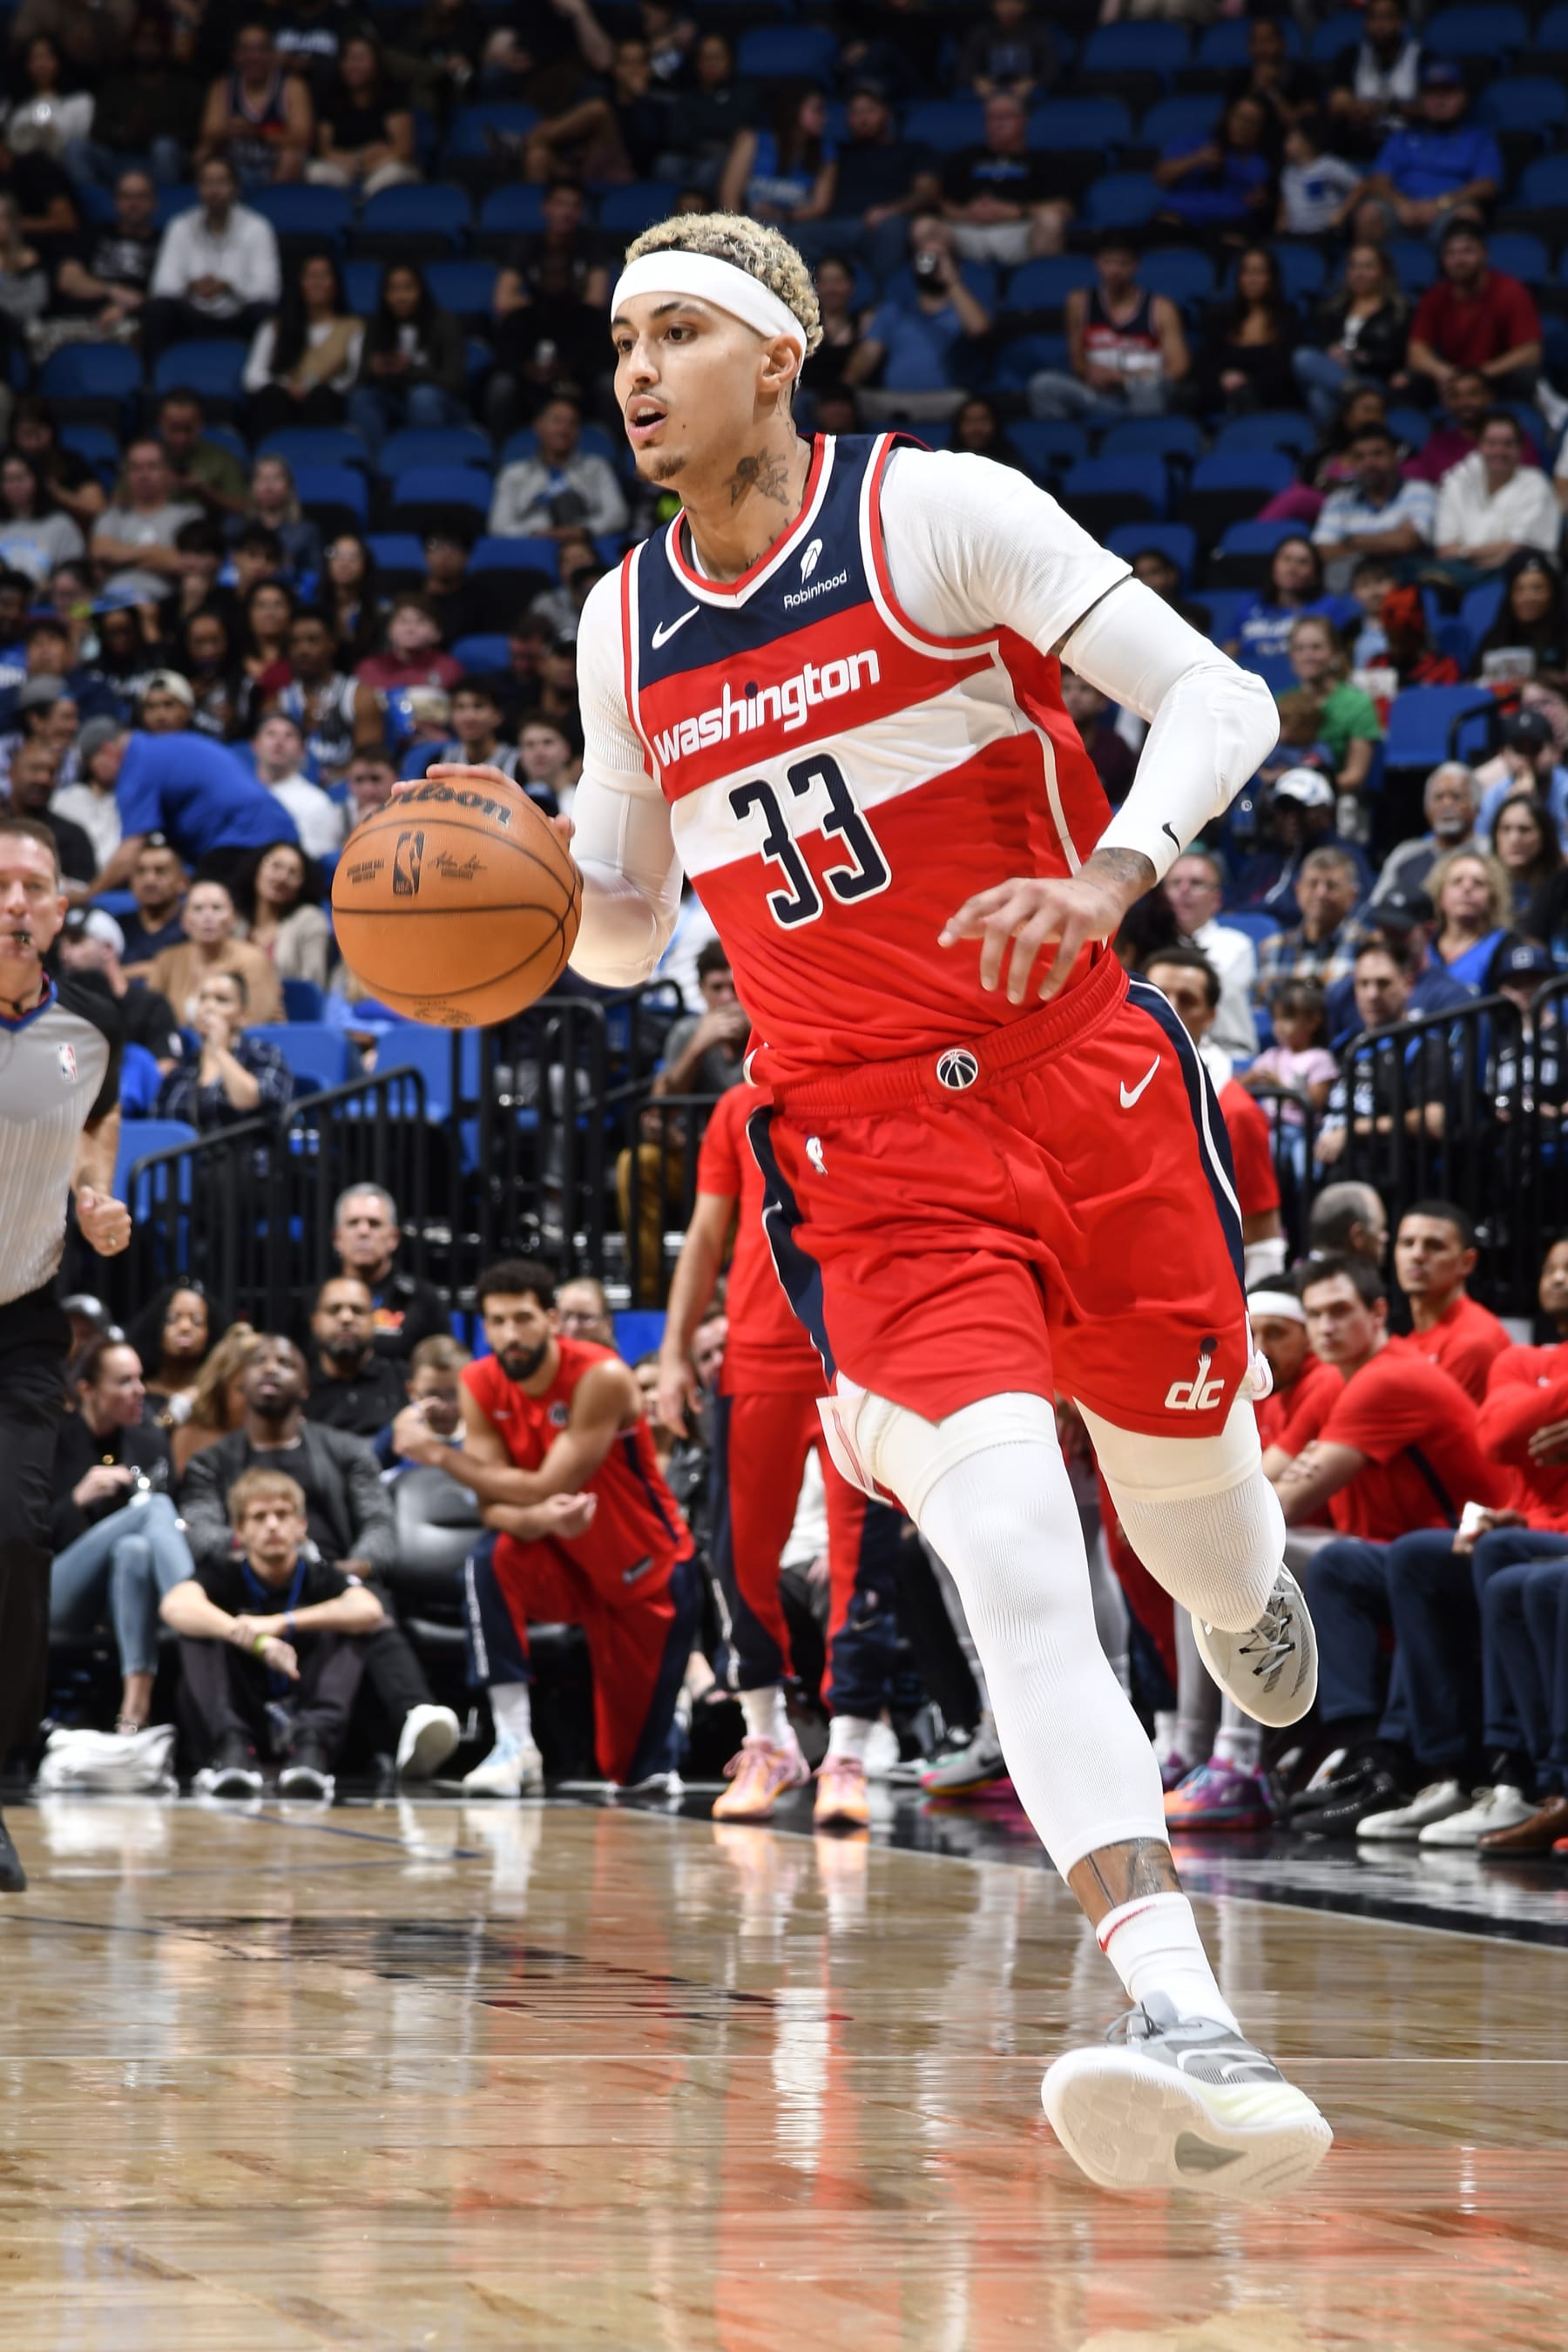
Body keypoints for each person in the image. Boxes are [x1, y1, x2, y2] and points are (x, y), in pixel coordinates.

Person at [413, 207, 1335, 2194]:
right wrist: (519, 912)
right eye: (618, 338)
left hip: (1083, 1087)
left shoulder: (941, 518)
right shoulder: (622, 623)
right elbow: (632, 925)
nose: (636, 370)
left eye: (677, 330)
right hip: (864, 1153)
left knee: (1199, 1516)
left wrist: (1107, 878)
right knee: (1008, 1535)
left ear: (782, 354)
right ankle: (1183, 2005)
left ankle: (1247, 1581)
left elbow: (1225, 703)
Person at [657, 1078, 904, 1828]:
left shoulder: (880, 1085)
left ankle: (851, 1749)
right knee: (741, 1559)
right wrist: (673, 1351)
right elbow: (705, 1233)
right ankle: (766, 1737)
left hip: (859, 1356)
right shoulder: (735, 1107)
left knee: (863, 1558)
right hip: (758, 1357)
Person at [398, 1259, 701, 1799]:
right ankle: (514, 1744)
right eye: (496, 1322)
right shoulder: (479, 1382)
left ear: (553, 1320)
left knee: (632, 1773)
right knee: (491, 1559)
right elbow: (494, 1505)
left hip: (643, 1571)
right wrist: (535, 1521)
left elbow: (546, 1482)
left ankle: (667, 1722)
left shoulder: (602, 1375)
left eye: (523, 1319)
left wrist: (438, 1456)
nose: (510, 1335)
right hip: (562, 1558)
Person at [1267, 1257, 1510, 1840]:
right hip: (1415, 1552)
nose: (1326, 1326)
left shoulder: (1386, 1379)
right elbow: (1266, 1483)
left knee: (1285, 1560)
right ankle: (1366, 1757)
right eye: (1316, 1314)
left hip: (1474, 1549)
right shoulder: (1348, 1380)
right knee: (1335, 1565)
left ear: (1379, 1313)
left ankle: (1382, 1763)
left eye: (1340, 1311)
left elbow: (1279, 1506)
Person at [0, 813, 129, 1889]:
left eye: (31, 884)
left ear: (58, 907)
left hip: (22, 1321)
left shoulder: (90, 1036)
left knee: (14, 1542)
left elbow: (97, 1169)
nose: (13, 901)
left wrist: (99, 1213)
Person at [177, 1335, 462, 1781]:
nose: (271, 1369)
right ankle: (228, 1748)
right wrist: (263, 1554)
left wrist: (346, 1570)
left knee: (366, 1605)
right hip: (243, 1581)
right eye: (260, 1363)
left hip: (330, 1577)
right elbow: (202, 1532)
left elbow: (379, 1528)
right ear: (240, 1384)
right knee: (199, 1617)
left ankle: (414, 1719)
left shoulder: (347, 1450)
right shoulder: (210, 1462)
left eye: (286, 1362)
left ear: (307, 1387)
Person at [160, 1467, 384, 1801]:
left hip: (307, 1715)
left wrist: (283, 1622)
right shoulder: (223, 1571)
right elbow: (174, 1606)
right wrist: (250, 1637)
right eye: (259, 1517)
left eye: (282, 1514)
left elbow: (370, 1609)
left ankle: (312, 1751)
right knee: (197, 1628)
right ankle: (231, 1750)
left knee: (352, 1625)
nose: (273, 1525)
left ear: (301, 1526)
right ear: (239, 1530)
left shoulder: (319, 1575)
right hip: (239, 1714)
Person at [48, 1335, 194, 1736]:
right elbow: (24, 1535)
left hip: (126, 1593)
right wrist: (75, 1500)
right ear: (88, 1390)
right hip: (56, 1587)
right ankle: (191, 1603)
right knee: (155, 1508)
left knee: (134, 1548)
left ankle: (134, 1710)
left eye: (140, 1379)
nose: (140, 1390)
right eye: (125, 1381)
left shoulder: (148, 1439)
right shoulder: (54, 1438)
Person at [1142, 948, 1285, 1286]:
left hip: (1198, 1294)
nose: (1171, 1009)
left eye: (1187, 1000)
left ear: (1210, 1017)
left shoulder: (1235, 1112)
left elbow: (1261, 1235)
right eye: (1160, 995)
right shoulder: (1099, 1083)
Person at [91, 724, 302, 892]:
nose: (93, 777)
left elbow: (131, 848)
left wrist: (91, 894)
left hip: (242, 840)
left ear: (107, 751)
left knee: (203, 907)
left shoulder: (135, 766)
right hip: (279, 830)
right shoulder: (163, 745)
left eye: (92, 765)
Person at [1024, 233, 1187, 422]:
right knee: (1043, 384)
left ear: (1136, 266)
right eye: (1108, 262)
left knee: (1147, 387)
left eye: (1123, 263)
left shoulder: (1161, 307)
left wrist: (1127, 378)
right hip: (1100, 395)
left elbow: (1179, 367)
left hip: (1145, 389)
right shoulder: (1079, 302)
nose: (1115, 270)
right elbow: (1077, 359)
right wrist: (1088, 372)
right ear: (1097, 264)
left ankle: (1142, 439)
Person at [144, 154, 280, 355]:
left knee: (263, 313)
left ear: (236, 187)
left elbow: (268, 291)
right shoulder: (180, 226)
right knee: (158, 309)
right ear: (198, 188)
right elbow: (161, 286)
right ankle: (154, 380)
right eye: (207, 182)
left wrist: (229, 286)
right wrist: (190, 285)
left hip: (238, 317)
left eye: (221, 182)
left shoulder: (257, 227)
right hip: (191, 316)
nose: (214, 190)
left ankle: (260, 380)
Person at [1407, 220, 1542, 407]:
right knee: (1408, 382)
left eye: (1467, 251)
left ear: (1484, 254)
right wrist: (1444, 372)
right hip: (1452, 377)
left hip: (1495, 378)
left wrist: (1481, 374)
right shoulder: (1435, 296)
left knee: (1524, 377)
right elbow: (1416, 352)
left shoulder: (1510, 291)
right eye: (1451, 253)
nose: (1459, 260)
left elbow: (1530, 352)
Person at [1359, 61, 1501, 237]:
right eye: (1432, 93)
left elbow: (1486, 186)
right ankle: (1367, 264)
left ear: (1463, 98)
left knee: (1468, 215)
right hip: (1403, 209)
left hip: (1449, 210)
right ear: (1421, 100)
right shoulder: (1401, 138)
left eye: (1448, 92)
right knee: (1369, 213)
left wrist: (1442, 204)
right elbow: (1377, 180)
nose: (1440, 101)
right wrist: (1401, 203)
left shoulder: (1479, 140)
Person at [1389, 1200, 1508, 1403]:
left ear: (1467, 1262)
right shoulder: (1412, 1338)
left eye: (1434, 1246)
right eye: (1407, 1243)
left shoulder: (1474, 1341)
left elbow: (1430, 1429)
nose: (1417, 1255)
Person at [347, 262, 467, 450]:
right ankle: (377, 465)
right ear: (384, 294)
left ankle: (425, 458)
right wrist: (374, 370)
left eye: (407, 288)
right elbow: (359, 379)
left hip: (443, 405)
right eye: (393, 289)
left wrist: (410, 370)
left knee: (422, 397)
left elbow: (454, 381)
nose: (400, 297)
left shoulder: (445, 322)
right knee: (362, 398)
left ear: (421, 290)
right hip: (394, 401)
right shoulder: (376, 325)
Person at [156, 967, 293, 1130]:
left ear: (244, 1015)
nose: (209, 1007)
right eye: (203, 998)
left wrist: (219, 1050)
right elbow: (160, 1127)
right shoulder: (183, 1068)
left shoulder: (263, 1056)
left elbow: (249, 1100)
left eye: (222, 1000)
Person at [1310, 422, 1436, 598]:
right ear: (1352, 462)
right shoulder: (1338, 500)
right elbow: (1323, 550)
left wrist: (1351, 540)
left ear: (1395, 456)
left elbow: (1407, 542)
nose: (1369, 462)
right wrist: (1390, 541)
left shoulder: (1420, 491)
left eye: (1378, 454)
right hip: (1351, 594)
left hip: (1407, 592)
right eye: (1360, 457)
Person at [1435, 412, 1559, 584]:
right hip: (1461, 573)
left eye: (1508, 444)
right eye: (1491, 443)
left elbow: (1518, 550)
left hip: (1516, 577)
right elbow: (1444, 550)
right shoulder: (1458, 479)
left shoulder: (1536, 484)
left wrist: (1463, 552)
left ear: (1521, 448)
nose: (1499, 451)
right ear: (1479, 446)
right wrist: (1489, 554)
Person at [144, 875, 283, 1025]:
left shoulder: (254, 959)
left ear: (233, 918)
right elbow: (149, 1016)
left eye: (217, 908)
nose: (208, 917)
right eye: (198, 909)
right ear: (184, 921)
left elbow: (256, 1022)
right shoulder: (167, 959)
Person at [330, 1184, 449, 1360]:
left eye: (374, 1223)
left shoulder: (424, 1299)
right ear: (337, 1238)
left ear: (393, 1238)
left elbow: (443, 1366)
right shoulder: (316, 1301)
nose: (363, 1232)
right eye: (353, 1223)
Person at [489, 394, 629, 542]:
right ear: (539, 426)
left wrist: (582, 531)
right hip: (530, 547)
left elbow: (618, 515)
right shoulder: (513, 474)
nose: (564, 430)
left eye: (572, 423)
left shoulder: (597, 468)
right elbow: (498, 525)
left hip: (583, 545)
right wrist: (536, 534)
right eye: (557, 421)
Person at [1160, 851, 1257, 1060]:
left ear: (1216, 899)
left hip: (1224, 1053)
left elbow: (1205, 992)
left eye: (1196, 883)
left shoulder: (1235, 944)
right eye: (1175, 883)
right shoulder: (1149, 943)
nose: (1184, 890)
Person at [197, 23, 313, 189]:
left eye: (261, 50)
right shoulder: (222, 87)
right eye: (245, 50)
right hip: (234, 167)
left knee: (291, 156)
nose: (253, 57)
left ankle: (276, 205)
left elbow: (303, 138)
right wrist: (227, 130)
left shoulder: (292, 86)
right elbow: (208, 133)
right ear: (235, 55)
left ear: (272, 54)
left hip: (275, 165)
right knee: (203, 153)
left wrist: (257, 132)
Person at [89, 439, 202, 606]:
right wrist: (157, 553)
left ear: (168, 473)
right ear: (126, 475)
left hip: (164, 603)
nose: (143, 474)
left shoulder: (189, 515)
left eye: (152, 467)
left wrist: (120, 557)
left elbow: (187, 562)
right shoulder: (112, 515)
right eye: (136, 468)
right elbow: (100, 552)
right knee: (77, 609)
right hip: (110, 603)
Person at [305, 29, 417, 198]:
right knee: (314, 172)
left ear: (376, 63)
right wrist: (354, 160)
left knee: (391, 174)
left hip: (385, 165)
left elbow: (404, 150)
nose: (353, 65)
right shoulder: (330, 95)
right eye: (348, 59)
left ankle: (364, 213)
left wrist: (372, 163)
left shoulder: (393, 94)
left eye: (361, 59)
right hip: (345, 165)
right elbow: (324, 148)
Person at [1188, 245, 1299, 416]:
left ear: (1272, 278)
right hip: (1222, 392)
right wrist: (1223, 378)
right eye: (1246, 272)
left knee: (1248, 394)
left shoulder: (1287, 316)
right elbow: (1202, 363)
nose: (1252, 279)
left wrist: (1249, 382)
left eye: (1259, 272)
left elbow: (1287, 367)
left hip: (1269, 395)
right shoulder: (1223, 317)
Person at [1254, 846, 1365, 1004]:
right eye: (1313, 884)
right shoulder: (1272, 949)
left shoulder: (1367, 948)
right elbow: (1260, 1014)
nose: (1320, 893)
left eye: (1331, 886)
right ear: (1298, 890)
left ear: (1353, 896)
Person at [1154, 94, 1273, 240]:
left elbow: (1258, 201)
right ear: (1227, 116)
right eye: (1240, 117)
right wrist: (1196, 159)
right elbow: (1161, 177)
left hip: (1226, 226)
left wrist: (1261, 202)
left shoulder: (1259, 163)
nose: (1244, 126)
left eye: (1252, 122)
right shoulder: (1195, 142)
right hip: (1181, 218)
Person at [305, 1275, 407, 1438]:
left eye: (358, 1310)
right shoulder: (299, 1388)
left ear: (374, 1322)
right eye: (334, 1310)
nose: (346, 1318)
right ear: (315, 1322)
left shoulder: (404, 1381)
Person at [1370, 761, 1480, 904]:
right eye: (1438, 797)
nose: (1447, 804)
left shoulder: (1489, 852)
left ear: (1476, 807)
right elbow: (1377, 906)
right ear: (1427, 809)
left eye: (1456, 797)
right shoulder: (1405, 855)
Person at [231, 837, 332, 992]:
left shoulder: (310, 920)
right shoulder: (237, 924)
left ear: (302, 884)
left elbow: (313, 987)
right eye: (276, 866)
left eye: (293, 873)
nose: (282, 877)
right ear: (257, 868)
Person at [1227, 537, 1342, 666]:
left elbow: (1336, 656)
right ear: (1273, 565)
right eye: (1286, 559)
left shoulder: (1327, 607)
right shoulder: (1249, 603)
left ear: (1315, 573)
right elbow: (1230, 648)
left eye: (1302, 562)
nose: (1292, 568)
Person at [247, 716, 342, 861]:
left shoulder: (315, 801)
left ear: (303, 750)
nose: (279, 742)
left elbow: (314, 859)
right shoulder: (239, 793)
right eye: (271, 734)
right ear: (254, 744)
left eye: (289, 736)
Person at [125, 1282, 214, 1424]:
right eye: (172, 1319)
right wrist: (171, 1415)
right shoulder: (138, 1390)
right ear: (156, 1327)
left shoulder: (213, 1395)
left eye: (197, 1321)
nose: (185, 1327)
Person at [1427, 847, 1514, 988]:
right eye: (1457, 881)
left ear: (1492, 898)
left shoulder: (1507, 948)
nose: (1467, 887)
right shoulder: (1422, 945)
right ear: (1439, 896)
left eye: (1478, 883)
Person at [118, 832, 186, 967]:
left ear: (183, 882)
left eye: (160, 871)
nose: (149, 880)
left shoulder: (192, 927)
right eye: (140, 871)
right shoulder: (118, 927)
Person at [1491, 792, 1561, 917]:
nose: (1514, 839)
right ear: (1495, 836)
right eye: (1506, 829)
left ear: (1544, 835)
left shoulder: (1561, 885)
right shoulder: (1485, 886)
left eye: (1525, 829)